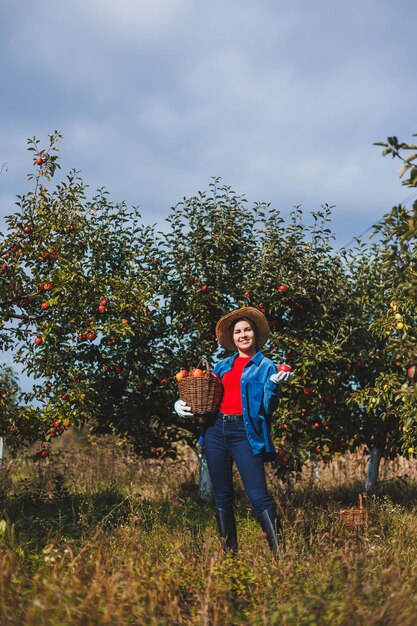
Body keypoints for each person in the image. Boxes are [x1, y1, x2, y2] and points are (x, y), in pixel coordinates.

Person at [174, 306, 293, 557]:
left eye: (247, 329)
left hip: (244, 432)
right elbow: (207, 395)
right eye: (238, 331)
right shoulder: (222, 366)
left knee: (257, 495)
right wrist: (182, 405)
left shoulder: (265, 365)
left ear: (255, 334)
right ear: (233, 338)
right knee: (222, 496)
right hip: (217, 429)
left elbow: (268, 409)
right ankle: (231, 557)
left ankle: (281, 556)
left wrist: (273, 387)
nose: (243, 335)